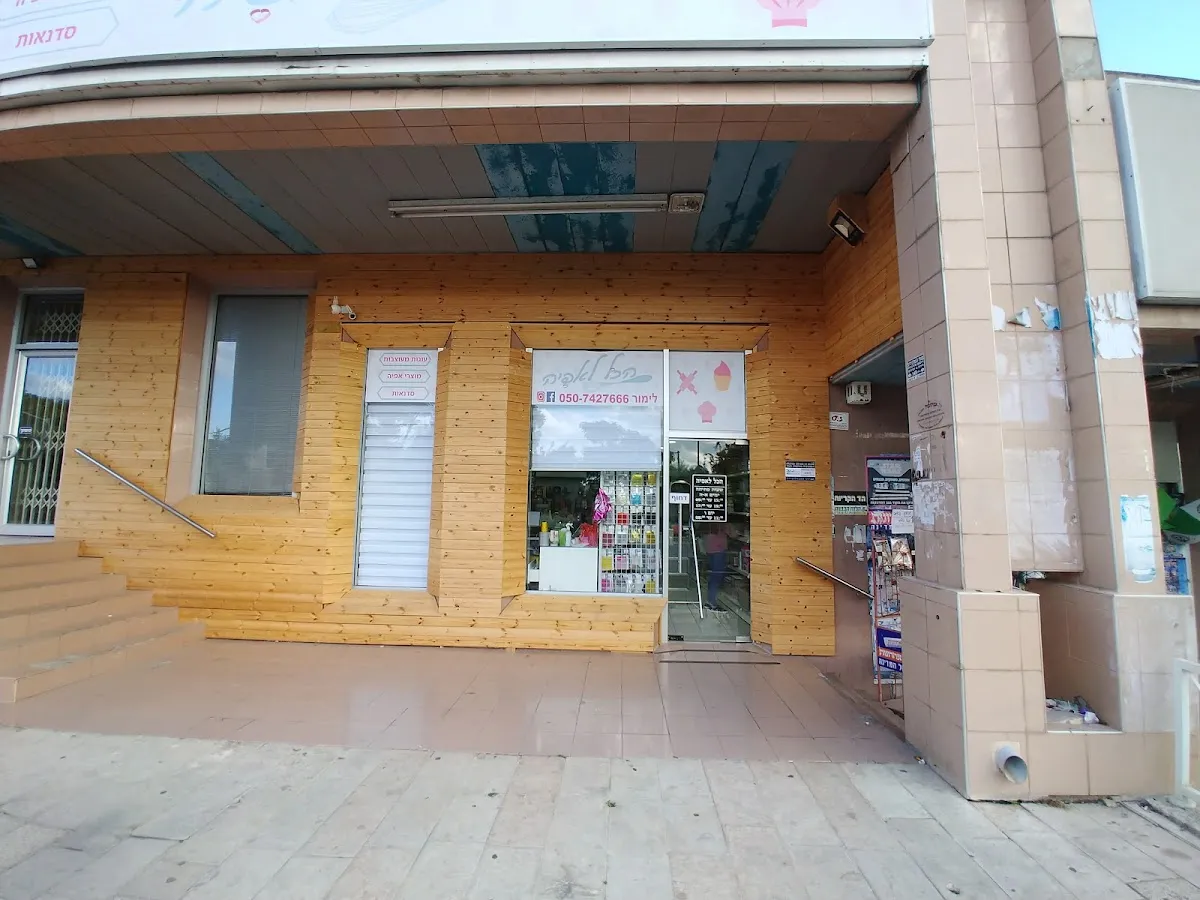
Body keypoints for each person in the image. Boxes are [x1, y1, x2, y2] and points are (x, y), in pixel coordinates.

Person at [704, 523, 728, 611]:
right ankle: (712, 602)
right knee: (716, 577)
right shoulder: (723, 523)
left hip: (710, 550)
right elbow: (732, 534)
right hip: (718, 551)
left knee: (713, 577)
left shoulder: (710, 524)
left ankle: (710, 600)